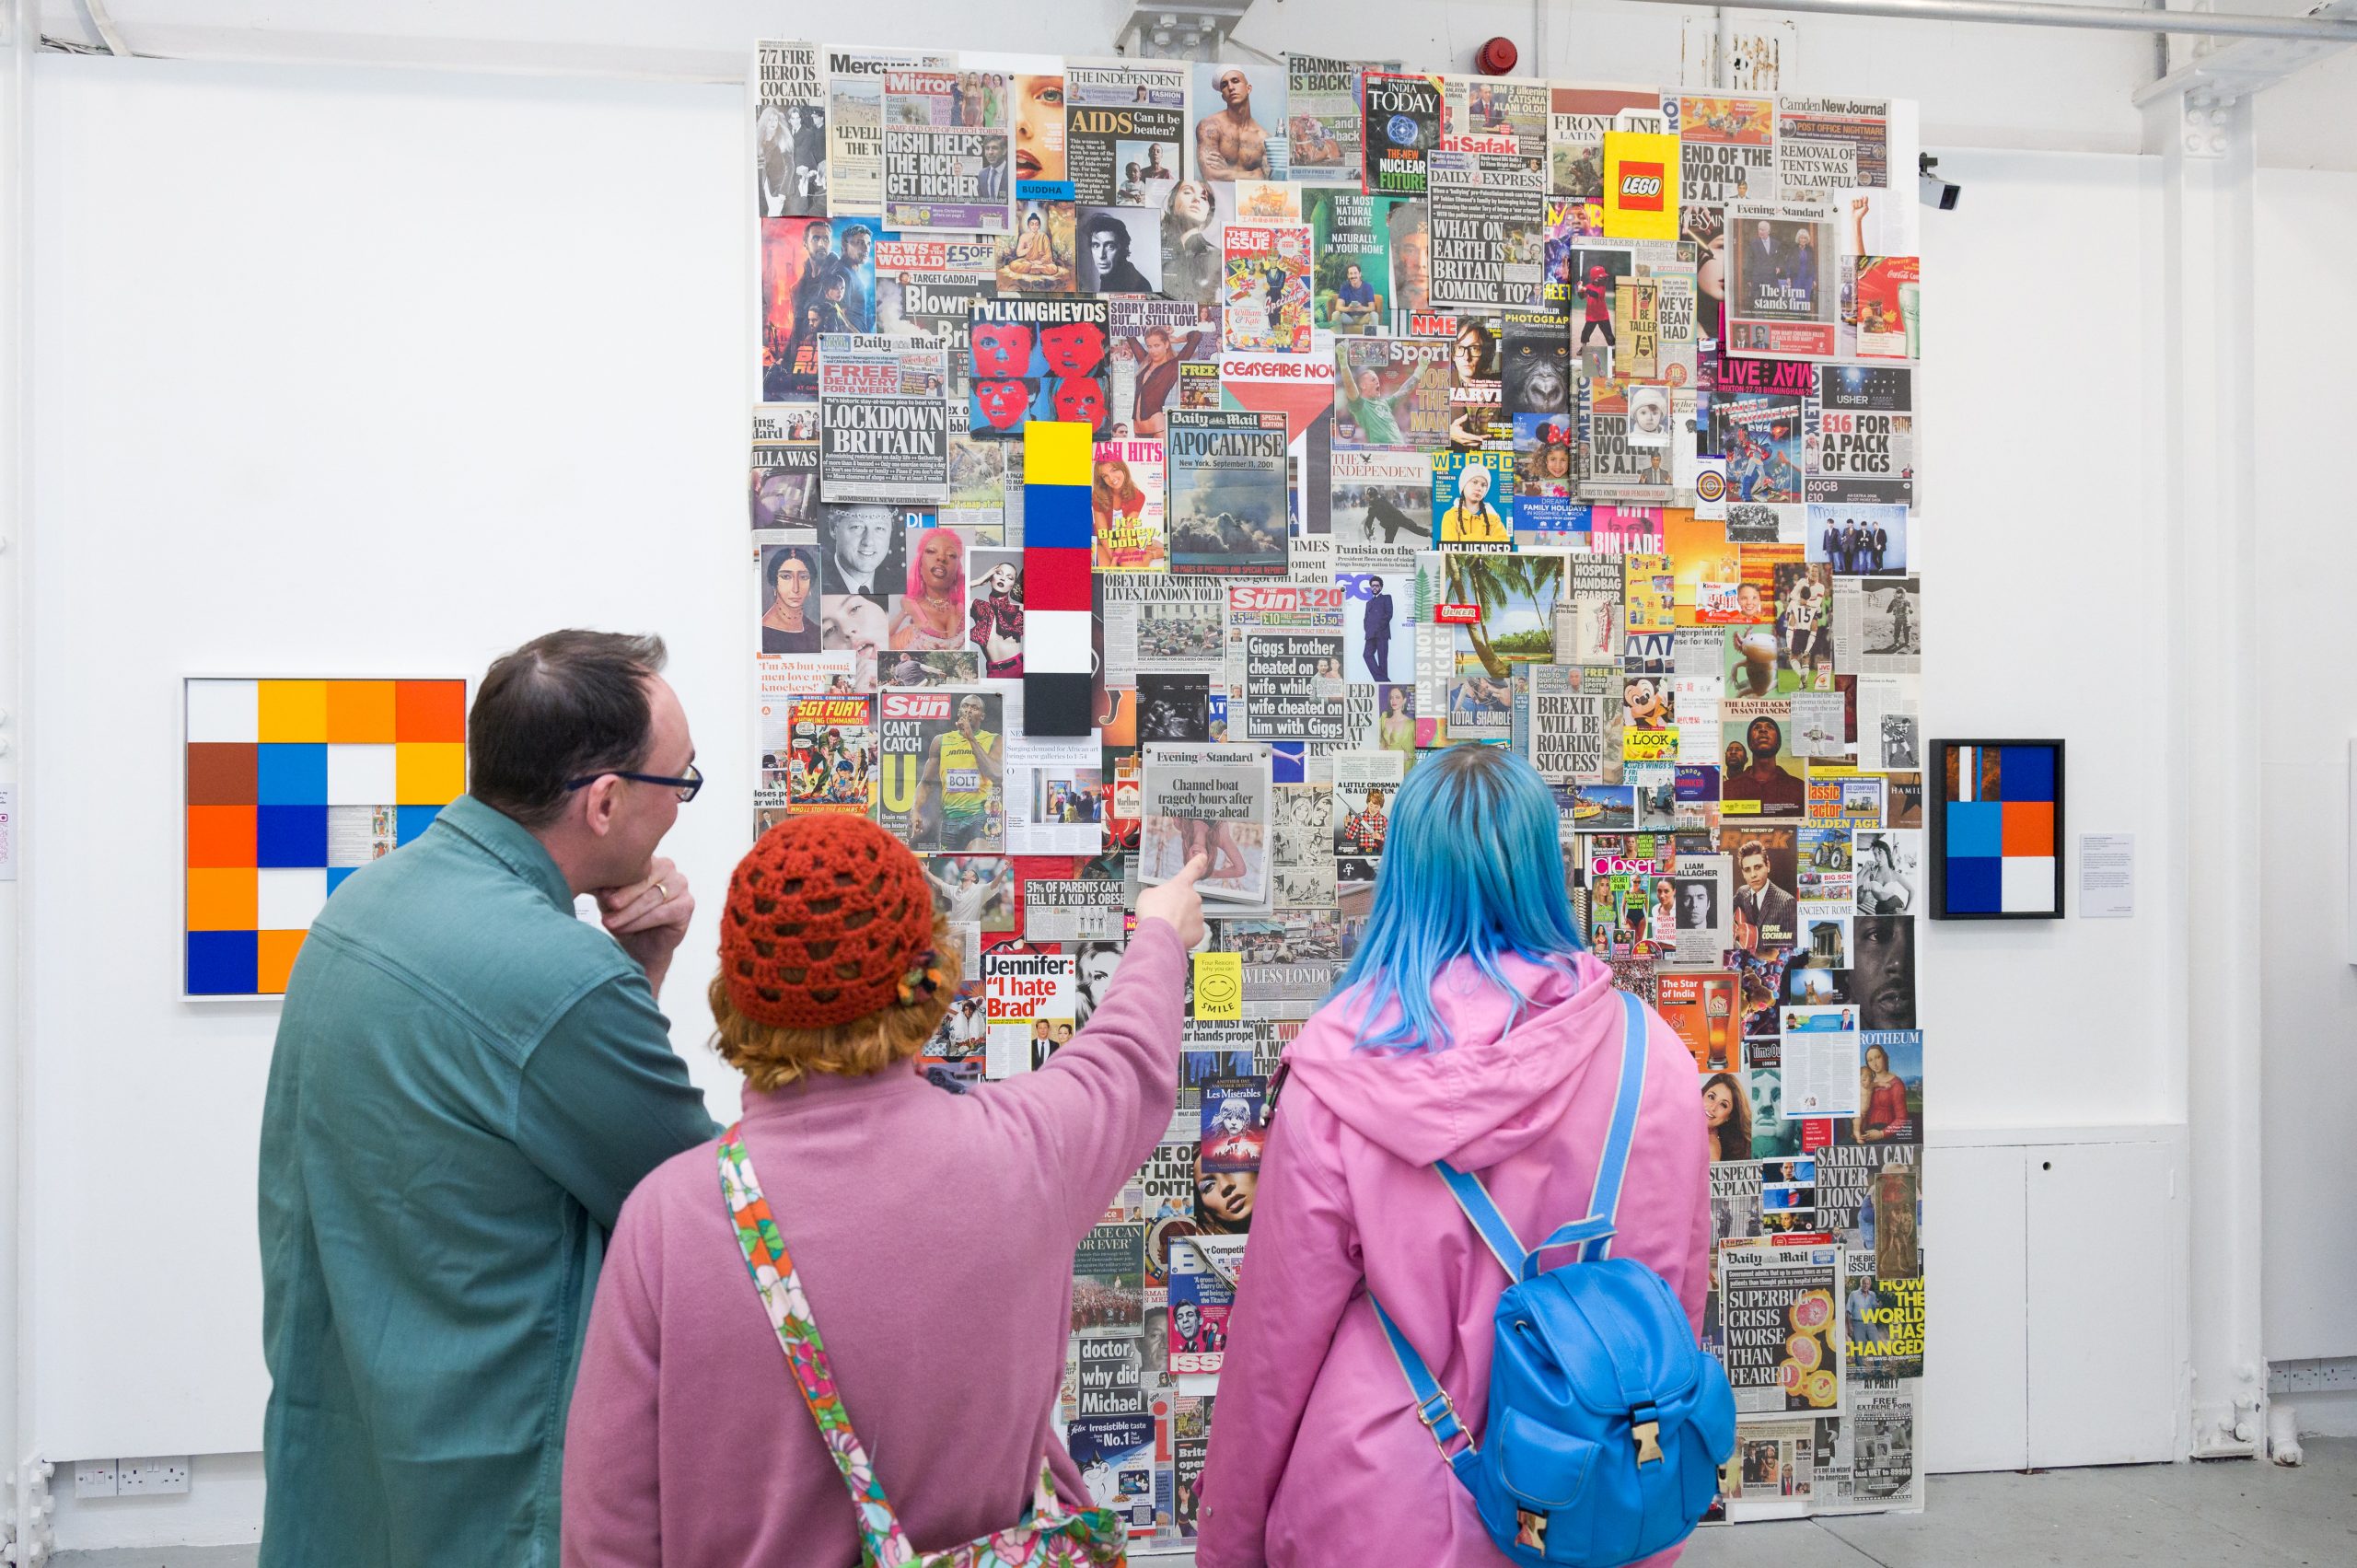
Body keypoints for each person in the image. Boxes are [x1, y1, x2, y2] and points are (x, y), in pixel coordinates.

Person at [562, 819, 1206, 1565]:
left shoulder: (665, 1220)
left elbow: (607, 1534)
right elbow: (1126, 1059)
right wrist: (1160, 934)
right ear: (929, 982)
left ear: (736, 996)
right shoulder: (1029, 1151)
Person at [260, 632, 715, 1566]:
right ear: (604, 801)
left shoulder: (365, 902)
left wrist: (638, 968)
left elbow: (550, 1111)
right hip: (493, 1478)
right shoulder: (561, 976)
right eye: (681, 782)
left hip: (361, 1451)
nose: (679, 807)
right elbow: (702, 1203)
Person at [1192, 747, 1709, 1566]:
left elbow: (1274, 1344)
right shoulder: (1656, 1059)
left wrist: (1227, 1543)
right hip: (1585, 1504)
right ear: (1543, 865)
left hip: (1375, 1504)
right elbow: (1669, 1302)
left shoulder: (1335, 1069)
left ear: (1403, 872)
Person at [920, 693, 1004, 851]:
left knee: (978, 852)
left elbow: (997, 775)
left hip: (979, 815)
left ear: (982, 716)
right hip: (950, 818)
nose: (968, 710)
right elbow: (926, 782)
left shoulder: (994, 739)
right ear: (959, 712)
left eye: (974, 708)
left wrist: (971, 738)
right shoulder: (941, 741)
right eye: (965, 706)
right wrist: (915, 810)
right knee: (950, 860)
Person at [890, 527, 967, 652]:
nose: (941, 558)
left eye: (951, 555)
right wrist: (903, 613)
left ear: (957, 569)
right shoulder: (911, 605)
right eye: (931, 551)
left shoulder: (965, 605)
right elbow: (880, 642)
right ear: (919, 566)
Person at [1195, 67, 1271, 180]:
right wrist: (1255, 175)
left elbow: (1267, 180)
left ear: (1248, 88)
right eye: (1224, 85)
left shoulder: (1264, 138)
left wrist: (1226, 172)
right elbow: (1211, 176)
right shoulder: (1210, 126)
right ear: (1223, 96)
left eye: (1235, 81)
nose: (1230, 87)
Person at [1724, 714, 1805, 814]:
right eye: (1757, 727)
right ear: (1750, 744)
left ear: (1778, 744)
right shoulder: (1727, 788)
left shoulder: (1800, 788)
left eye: (1769, 727)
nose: (1763, 730)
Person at [824, 504, 902, 598]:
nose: (868, 542)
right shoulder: (818, 584)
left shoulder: (899, 586)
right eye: (857, 527)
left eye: (879, 528)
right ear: (833, 529)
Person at [1734, 838, 1798, 949]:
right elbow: (1722, 914)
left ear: (1768, 866)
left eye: (1758, 867)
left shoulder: (1787, 902)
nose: (1753, 875)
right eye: (1747, 870)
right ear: (1743, 873)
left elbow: (1787, 951)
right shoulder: (1742, 892)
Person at [761, 545, 821, 654]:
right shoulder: (760, 631)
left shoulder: (816, 632)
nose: (795, 588)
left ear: (811, 585)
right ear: (774, 583)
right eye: (786, 577)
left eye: (803, 577)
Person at [1080, 211, 1155, 294]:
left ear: (1123, 248)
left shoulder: (1133, 285)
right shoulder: (1110, 277)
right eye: (1096, 245)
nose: (1101, 255)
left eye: (1110, 246)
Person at [1853, 1042, 1910, 1143]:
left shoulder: (1896, 1084)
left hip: (1886, 1131)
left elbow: (1902, 1119)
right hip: (1865, 1130)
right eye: (1870, 1060)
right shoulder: (1865, 1083)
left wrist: (1881, 1134)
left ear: (1884, 1057)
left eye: (1878, 1057)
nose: (1874, 1063)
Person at [1439, 461, 1507, 544]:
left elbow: (1504, 546)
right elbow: (1449, 549)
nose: (1479, 488)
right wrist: (1485, 540)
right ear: (1463, 485)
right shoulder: (1450, 516)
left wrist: (1464, 539)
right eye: (1474, 482)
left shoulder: (1494, 518)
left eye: (1483, 485)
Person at [1701, 1071, 1751, 1162]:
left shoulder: (1711, 1147)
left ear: (1730, 1116)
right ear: (1702, 1095)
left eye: (1723, 1105)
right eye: (1711, 1097)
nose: (1713, 1107)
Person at [1329, 261, 1383, 333]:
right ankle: (1337, 338)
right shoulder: (1344, 287)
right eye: (1351, 273)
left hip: (1363, 318)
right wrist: (1348, 309)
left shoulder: (1368, 287)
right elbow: (1338, 307)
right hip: (1349, 318)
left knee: (1374, 315)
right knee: (1335, 314)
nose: (1353, 276)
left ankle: (1371, 339)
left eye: (1355, 273)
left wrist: (1361, 308)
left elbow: (1372, 308)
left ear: (1360, 274)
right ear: (1348, 276)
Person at [1361, 575, 1395, 682]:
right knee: (1367, 655)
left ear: (1381, 587)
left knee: (1382, 660)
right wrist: (1367, 629)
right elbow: (1366, 618)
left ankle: (1383, 684)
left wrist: (1378, 628)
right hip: (1370, 635)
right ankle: (1384, 681)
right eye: (1372, 586)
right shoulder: (1368, 603)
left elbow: (1389, 614)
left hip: (1382, 634)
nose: (1374, 587)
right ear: (1370, 587)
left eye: (1377, 585)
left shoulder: (1386, 598)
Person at [1376, 683, 1417, 765]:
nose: (1394, 701)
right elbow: (1377, 742)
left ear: (1404, 700)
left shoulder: (1411, 724)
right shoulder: (1383, 719)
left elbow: (1417, 752)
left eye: (1397, 697)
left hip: (1404, 766)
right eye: (1391, 698)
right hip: (1386, 765)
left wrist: (1407, 755)